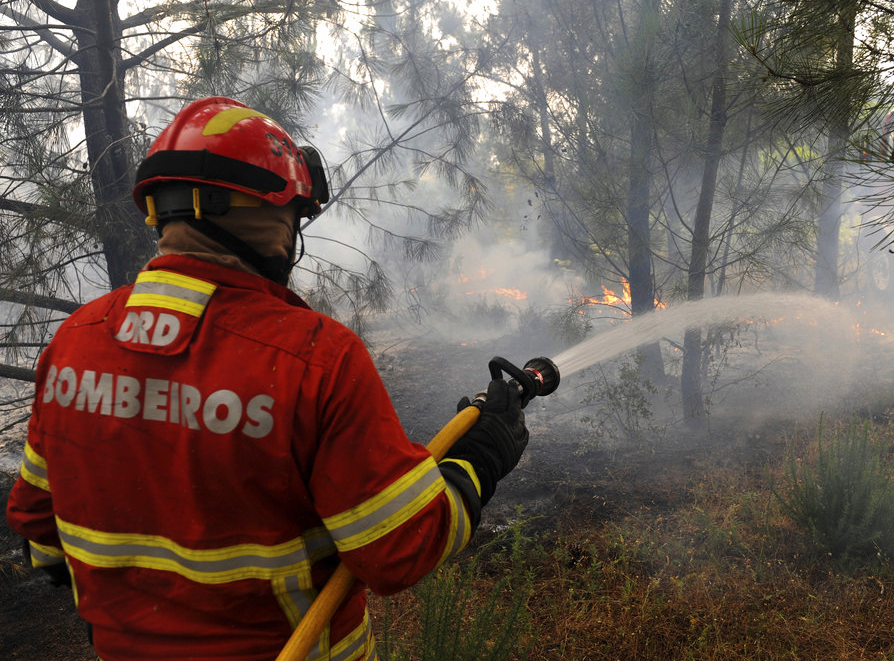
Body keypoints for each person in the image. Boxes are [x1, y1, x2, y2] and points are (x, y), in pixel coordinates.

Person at [5, 96, 528, 661]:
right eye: (290, 216)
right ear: (253, 213)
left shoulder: (76, 340)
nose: (291, 236)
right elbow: (399, 549)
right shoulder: (315, 359)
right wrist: (479, 461)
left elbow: (39, 526)